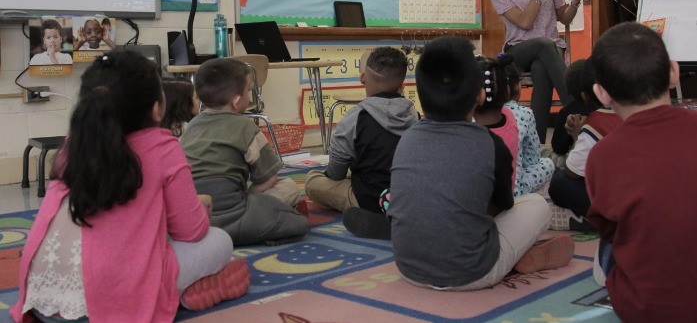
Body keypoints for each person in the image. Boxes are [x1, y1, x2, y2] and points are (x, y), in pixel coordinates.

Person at [11, 51, 249, 323]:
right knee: (220, 241)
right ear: (157, 107)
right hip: (110, 301)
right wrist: (201, 207)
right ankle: (184, 289)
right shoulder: (162, 146)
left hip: (42, 300)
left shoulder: (74, 144)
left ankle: (184, 289)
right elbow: (191, 231)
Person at [586, 22, 697, 322]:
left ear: (601, 94)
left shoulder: (601, 155)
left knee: (611, 246)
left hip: (647, 309)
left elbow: (610, 230)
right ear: (674, 73)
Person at [388, 36, 573, 291]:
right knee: (536, 205)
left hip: (408, 268)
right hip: (473, 273)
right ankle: (517, 259)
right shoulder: (489, 144)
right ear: (480, 95)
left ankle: (510, 255)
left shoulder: (407, 139)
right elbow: (505, 205)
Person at [180, 58, 308, 246]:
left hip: (193, 211)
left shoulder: (191, 127)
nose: (250, 95)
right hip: (235, 213)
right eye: (249, 90)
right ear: (238, 101)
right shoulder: (245, 127)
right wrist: (249, 195)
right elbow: (268, 179)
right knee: (288, 186)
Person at [490, 0, 592, 143]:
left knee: (541, 67)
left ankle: (536, 145)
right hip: (517, 52)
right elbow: (525, 23)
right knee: (544, 46)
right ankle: (576, 109)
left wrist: (577, 0)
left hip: (548, 52)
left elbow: (564, 18)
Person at [306, 48, 418, 233]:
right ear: (402, 85)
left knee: (312, 180)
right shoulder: (415, 115)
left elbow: (335, 173)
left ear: (363, 78)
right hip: (407, 197)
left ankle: (376, 216)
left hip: (367, 197)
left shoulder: (354, 118)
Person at [547, 58, 620, 231]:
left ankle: (599, 220)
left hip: (616, 201)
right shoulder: (634, 112)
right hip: (644, 194)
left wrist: (581, 134)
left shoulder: (594, 123)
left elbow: (572, 172)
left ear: (585, 96)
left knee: (559, 182)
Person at [504, 64, 555, 197]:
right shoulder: (524, 113)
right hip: (515, 191)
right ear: (516, 87)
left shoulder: (477, 115)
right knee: (548, 163)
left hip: (485, 189)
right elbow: (532, 159)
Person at [473, 54, 520, 193]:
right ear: (507, 94)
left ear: (477, 97)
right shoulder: (510, 117)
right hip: (506, 201)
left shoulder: (468, 134)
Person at [548, 58, 598, 167]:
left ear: (568, 88)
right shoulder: (608, 108)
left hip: (577, 165)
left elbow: (558, 148)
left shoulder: (567, 112)